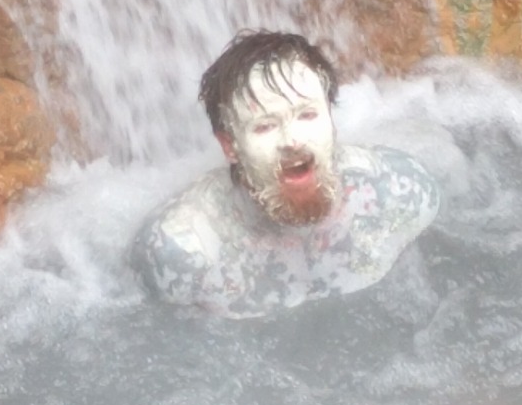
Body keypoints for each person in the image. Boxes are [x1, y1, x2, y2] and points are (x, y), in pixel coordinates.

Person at [129, 29, 439, 316]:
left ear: (331, 120)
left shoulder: (401, 194)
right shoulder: (181, 255)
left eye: (307, 115)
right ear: (230, 146)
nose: (293, 141)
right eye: (265, 126)